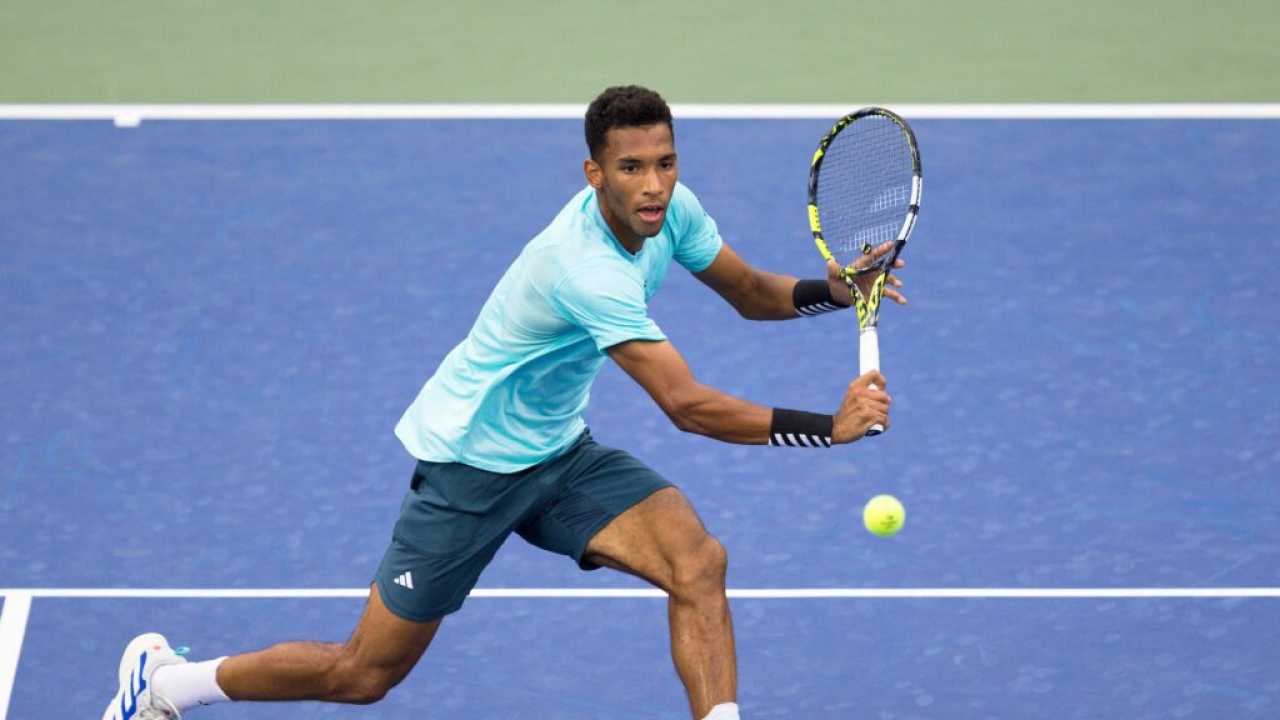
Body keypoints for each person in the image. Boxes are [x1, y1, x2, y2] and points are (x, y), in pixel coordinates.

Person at [103, 85, 905, 720]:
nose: (654, 184)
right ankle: (170, 684)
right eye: (632, 168)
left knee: (698, 561)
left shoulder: (672, 211)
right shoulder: (582, 268)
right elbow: (686, 405)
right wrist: (826, 431)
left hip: (556, 451)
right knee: (363, 674)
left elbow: (748, 291)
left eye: (665, 162)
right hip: (470, 467)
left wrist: (835, 289)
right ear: (595, 174)